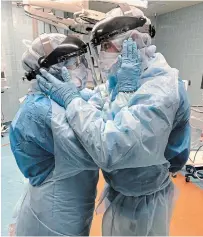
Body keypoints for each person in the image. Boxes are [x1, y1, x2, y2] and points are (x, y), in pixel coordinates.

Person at [37, 5, 191, 236]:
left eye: (107, 46)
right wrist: (75, 94)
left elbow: (113, 149)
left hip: (145, 199)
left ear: (135, 41)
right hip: (122, 191)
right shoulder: (126, 78)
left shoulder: (161, 89)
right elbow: (101, 101)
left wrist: (71, 100)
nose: (102, 53)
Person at [9, 33, 100, 236]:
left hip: (69, 209)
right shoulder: (40, 112)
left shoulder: (60, 98)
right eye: (74, 63)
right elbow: (96, 149)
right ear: (52, 69)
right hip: (52, 219)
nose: (83, 67)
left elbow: (92, 100)